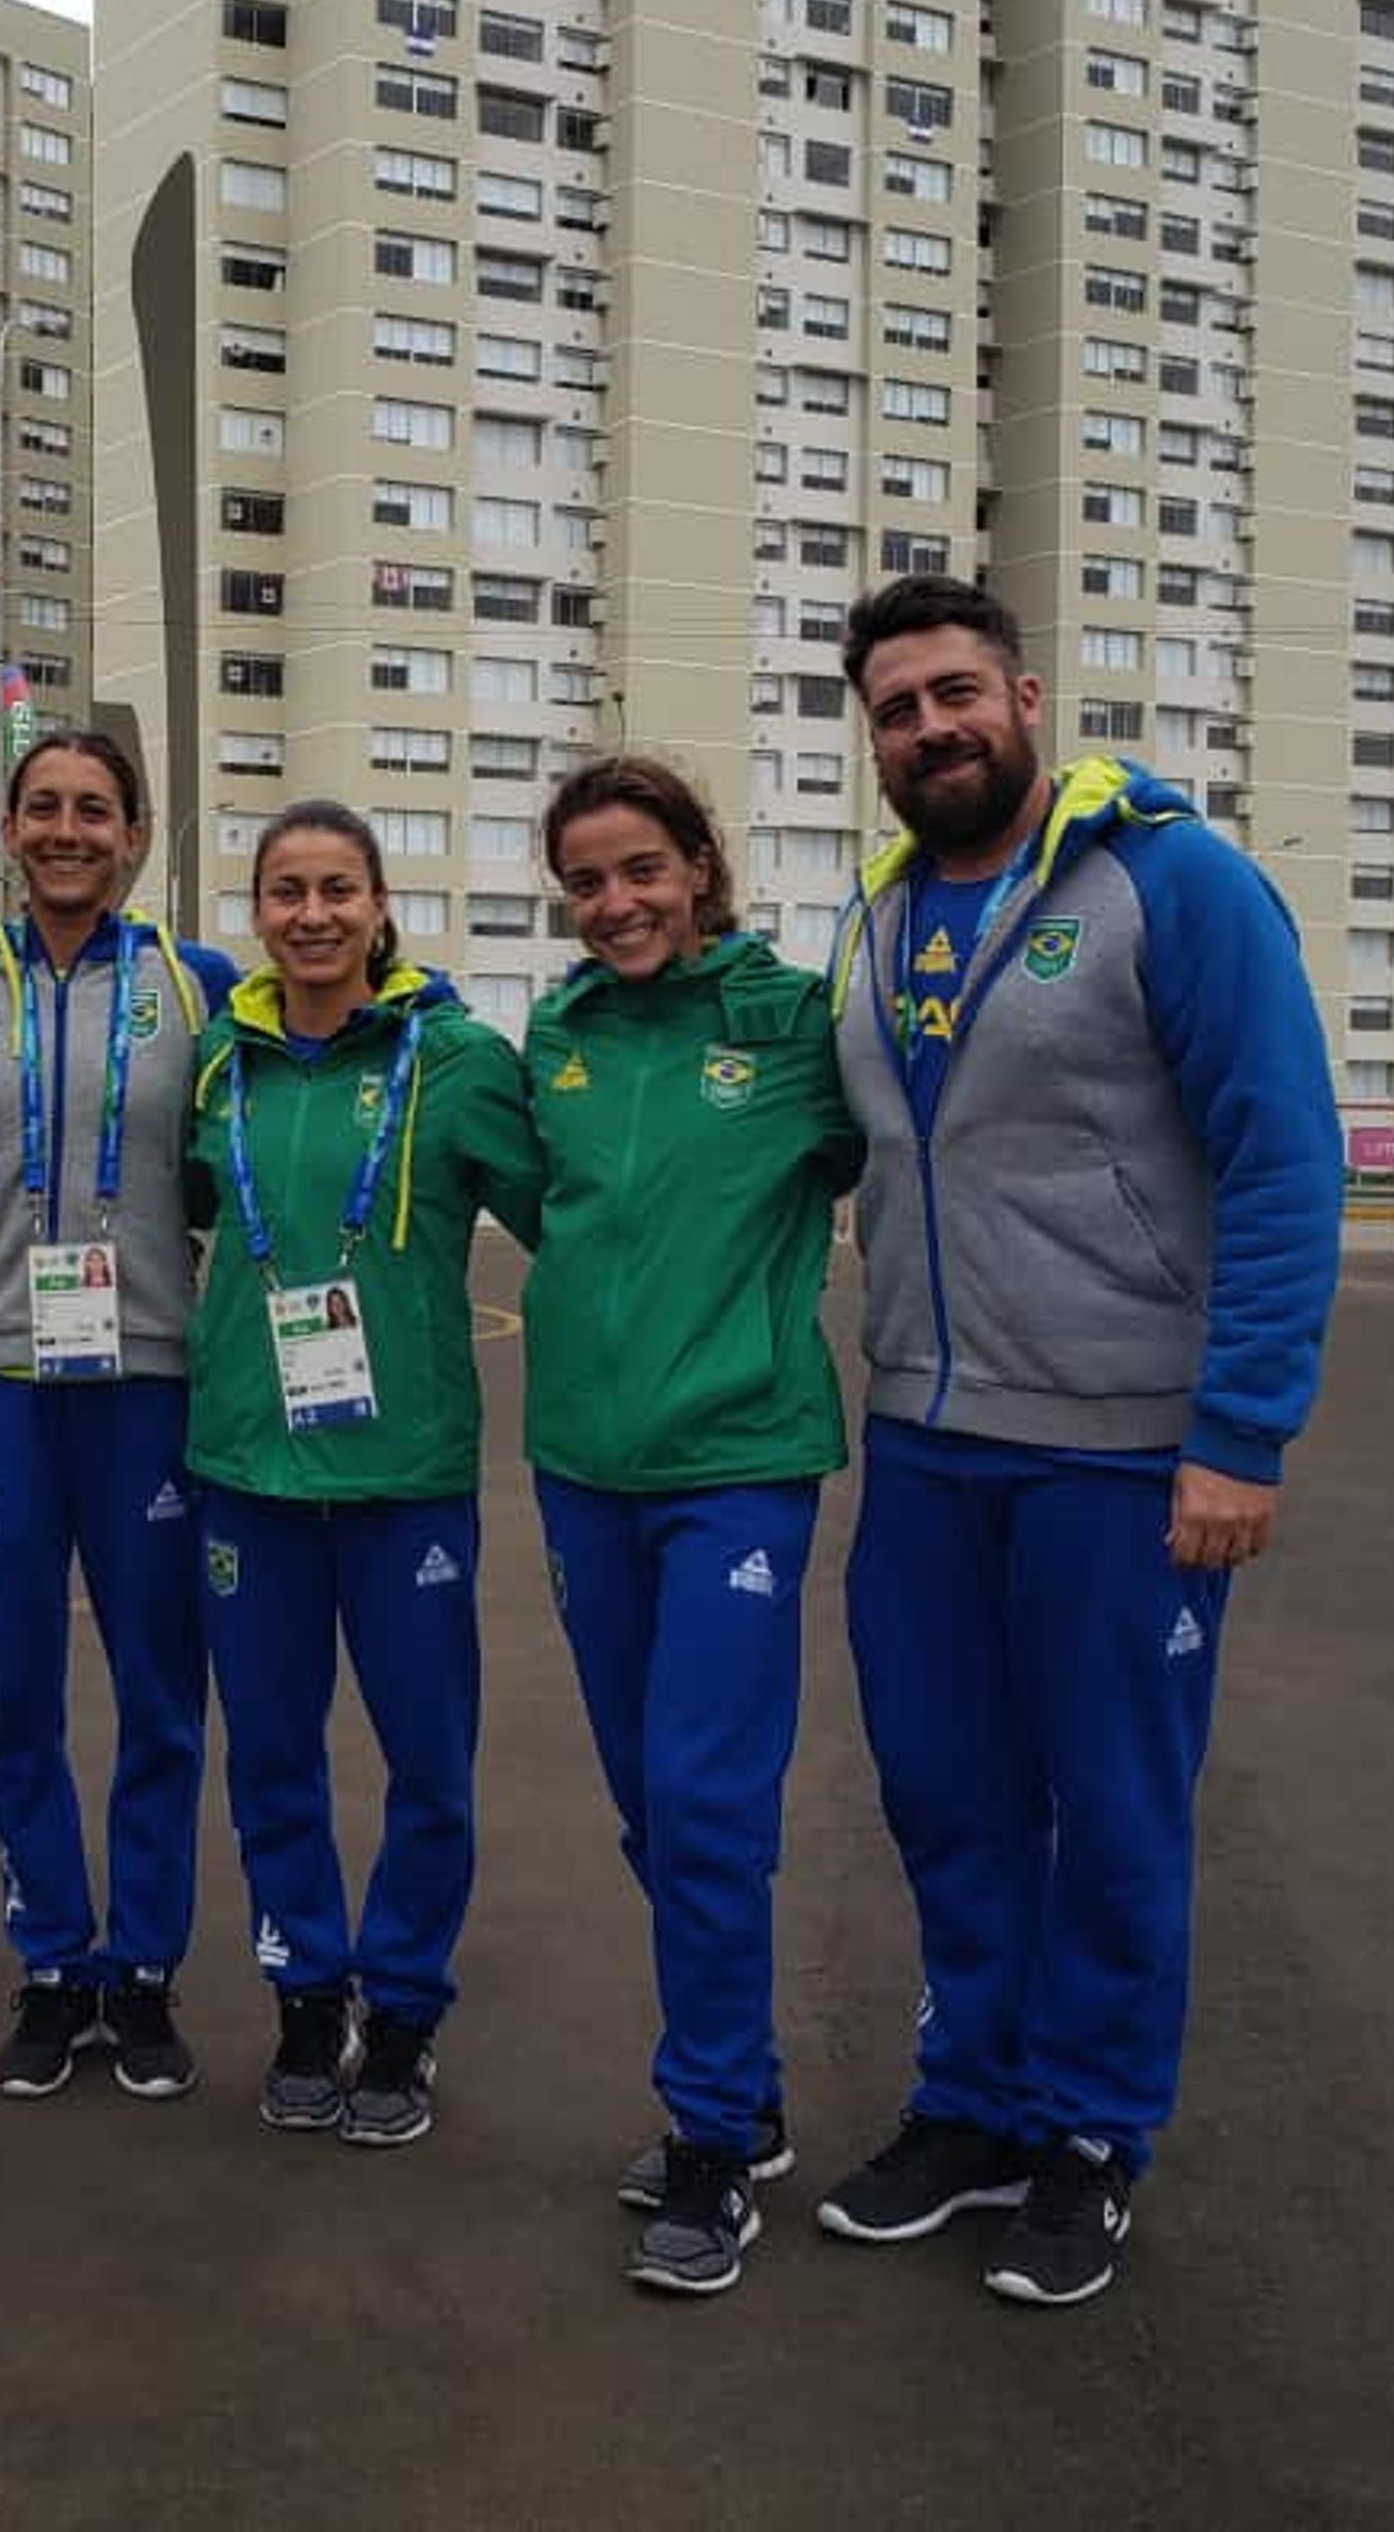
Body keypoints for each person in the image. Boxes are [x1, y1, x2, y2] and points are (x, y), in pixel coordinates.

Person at [814, 573, 1342, 2308]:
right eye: (896, 708)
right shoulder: (878, 924)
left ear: (1029, 698)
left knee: (1111, 1804)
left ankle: (1093, 2131)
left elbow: (1282, 1160)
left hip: (1125, 1454)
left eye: (956, 692)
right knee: (949, 1797)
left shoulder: (1171, 884)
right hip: (925, 1442)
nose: (931, 728)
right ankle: (970, 2105)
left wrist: (1241, 1432)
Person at [518, 757, 866, 2299]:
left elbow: (915, 1146)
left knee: (706, 1800)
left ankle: (713, 2137)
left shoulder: (793, 1027)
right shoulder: (556, 1039)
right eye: (588, 881)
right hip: (586, 1466)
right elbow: (557, 1214)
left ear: (701, 868)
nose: (617, 905)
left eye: (642, 870)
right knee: (650, 1812)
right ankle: (749, 2076)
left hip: (737, 1462)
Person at [181, 801, 538, 2149]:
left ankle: (402, 2011)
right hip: (248, 1471)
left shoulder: (457, 1062)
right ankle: (300, 1992)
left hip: (405, 1478)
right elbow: (178, 1207)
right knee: (272, 1757)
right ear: (258, 912)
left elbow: (568, 1220)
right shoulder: (220, 1061)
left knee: (427, 1763)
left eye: (339, 889)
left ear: (381, 906)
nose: (314, 914)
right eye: (287, 891)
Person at [0, 730, 236, 2100]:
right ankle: (53, 1960)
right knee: (16, 1688)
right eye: (43, 807)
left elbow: (228, 1167)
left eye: (93, 810)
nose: (66, 830)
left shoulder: (195, 982)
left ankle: (143, 1970)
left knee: (162, 1690)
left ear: (135, 835)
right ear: (7, 827)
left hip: (149, 1377)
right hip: (3, 1373)